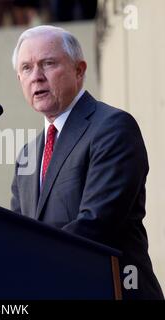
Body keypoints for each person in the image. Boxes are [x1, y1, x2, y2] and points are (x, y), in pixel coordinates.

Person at [10, 25, 164, 300]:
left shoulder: (112, 128)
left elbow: (97, 224)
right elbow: (17, 233)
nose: (37, 77)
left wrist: (29, 257)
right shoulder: (27, 155)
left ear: (79, 70)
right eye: (26, 68)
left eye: (48, 63)